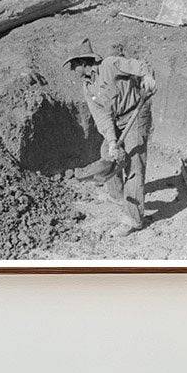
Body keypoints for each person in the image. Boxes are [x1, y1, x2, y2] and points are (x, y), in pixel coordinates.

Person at [64, 37, 157, 237]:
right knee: (107, 152)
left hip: (135, 113)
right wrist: (113, 142)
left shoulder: (110, 65)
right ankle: (119, 197)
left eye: (73, 65)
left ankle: (133, 219)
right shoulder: (88, 86)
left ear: (82, 62)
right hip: (116, 120)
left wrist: (147, 76)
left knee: (134, 164)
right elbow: (101, 116)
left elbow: (139, 65)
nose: (72, 70)